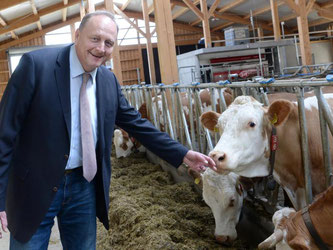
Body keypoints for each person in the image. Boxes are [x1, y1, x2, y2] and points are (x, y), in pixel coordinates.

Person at [0, 10, 216, 250]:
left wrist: (183, 154)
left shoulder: (107, 80)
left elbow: (136, 124)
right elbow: (4, 134)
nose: (101, 48)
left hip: (84, 185)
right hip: (34, 185)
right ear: (78, 34)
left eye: (108, 43)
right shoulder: (36, 66)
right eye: (95, 39)